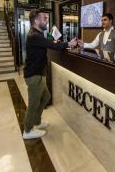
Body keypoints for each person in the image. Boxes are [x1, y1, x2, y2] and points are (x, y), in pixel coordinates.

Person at [23, 8, 77, 140]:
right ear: (36, 20)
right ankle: (28, 131)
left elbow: (49, 43)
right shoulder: (34, 35)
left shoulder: (38, 34)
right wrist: (69, 43)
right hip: (33, 76)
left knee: (46, 97)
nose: (47, 20)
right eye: (44, 18)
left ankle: (37, 121)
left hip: (39, 74)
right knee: (33, 103)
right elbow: (54, 46)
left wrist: (56, 41)